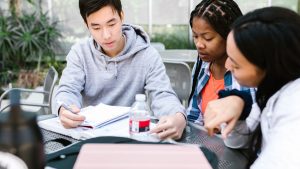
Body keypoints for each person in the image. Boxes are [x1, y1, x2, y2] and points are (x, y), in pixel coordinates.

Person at [54, 0, 186, 140]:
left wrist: (178, 116)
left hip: (130, 138)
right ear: (87, 25)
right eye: (96, 28)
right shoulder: (80, 53)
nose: (106, 35)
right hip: (89, 138)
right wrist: (65, 109)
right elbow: (67, 90)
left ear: (122, 16)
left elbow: (162, 94)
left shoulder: (147, 55)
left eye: (111, 24)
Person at [204, 7, 300, 168]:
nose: (227, 65)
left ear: (270, 66)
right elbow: (238, 142)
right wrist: (239, 105)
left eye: (236, 64)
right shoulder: (271, 89)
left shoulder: (294, 103)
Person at [186, 0, 255, 125]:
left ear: (229, 35)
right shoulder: (202, 65)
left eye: (208, 38)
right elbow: (193, 117)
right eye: (195, 36)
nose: (199, 44)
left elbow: (251, 125)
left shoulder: (247, 71)